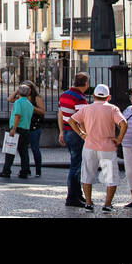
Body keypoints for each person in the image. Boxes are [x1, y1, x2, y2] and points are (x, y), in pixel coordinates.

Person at [68, 83, 127, 212]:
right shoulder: (113, 109)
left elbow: (71, 120)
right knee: (110, 177)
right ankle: (107, 204)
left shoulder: (87, 108)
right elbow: (123, 124)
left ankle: (88, 203)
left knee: (87, 174)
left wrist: (82, 134)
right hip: (107, 147)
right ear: (108, 97)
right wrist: (119, 139)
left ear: (94, 95)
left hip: (89, 145)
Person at [57, 72, 90, 208]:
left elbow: (60, 114)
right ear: (86, 84)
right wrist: (85, 134)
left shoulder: (64, 95)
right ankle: (72, 197)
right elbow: (81, 120)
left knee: (75, 164)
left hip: (67, 132)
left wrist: (61, 132)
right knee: (76, 166)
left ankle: (77, 194)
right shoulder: (80, 99)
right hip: (76, 134)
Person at [8, 78, 44, 176]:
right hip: (24, 126)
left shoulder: (36, 98)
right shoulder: (20, 99)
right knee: (23, 150)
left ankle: (38, 170)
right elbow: (10, 99)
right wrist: (17, 90)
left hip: (33, 126)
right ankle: (26, 169)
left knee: (34, 148)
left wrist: (31, 107)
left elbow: (42, 111)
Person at [0, 83, 33, 178]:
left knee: (10, 150)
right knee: (24, 151)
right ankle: (25, 170)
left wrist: (13, 129)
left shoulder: (18, 102)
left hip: (17, 128)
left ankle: (6, 170)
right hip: (26, 129)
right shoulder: (30, 104)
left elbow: (17, 115)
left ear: (19, 92)